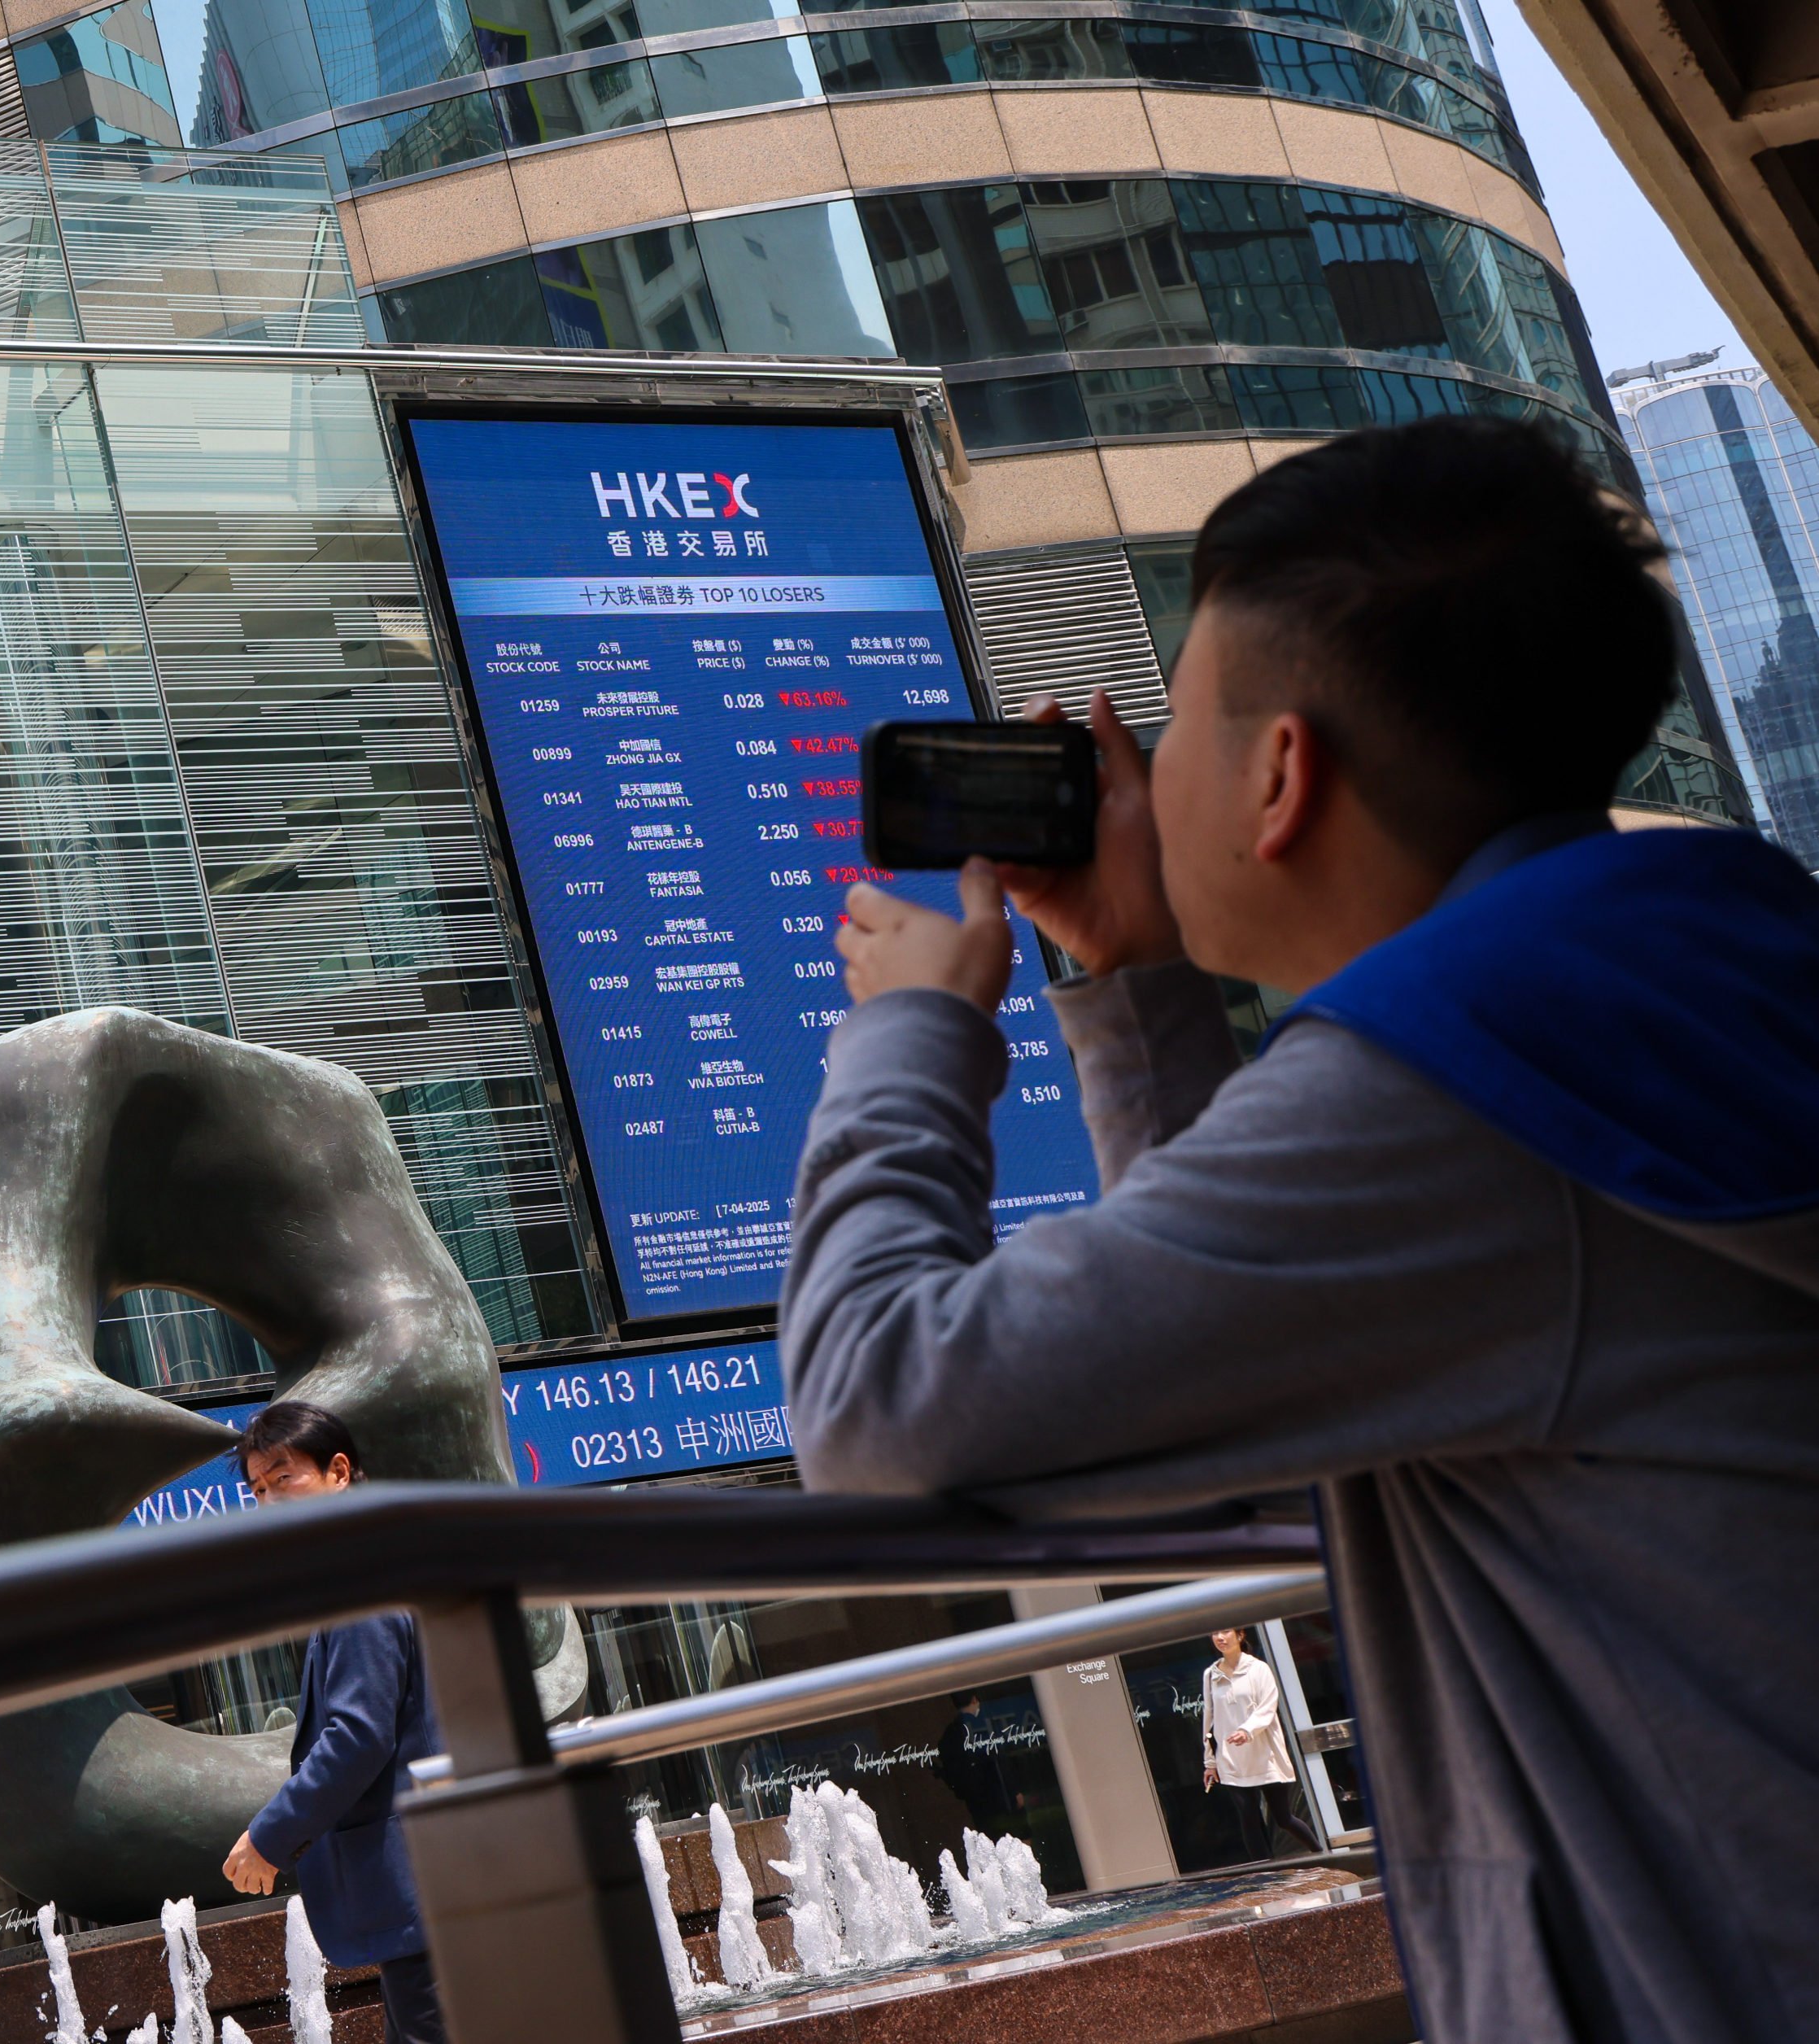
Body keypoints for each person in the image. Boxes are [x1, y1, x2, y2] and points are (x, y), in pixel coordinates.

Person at [779, 416, 1819, 2043]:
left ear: (1278, 777)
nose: (1139, 776)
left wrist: (912, 1031)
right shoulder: (1674, 967)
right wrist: (1129, 977)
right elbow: (1261, 1380)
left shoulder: (1447, 1081)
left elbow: (875, 1404)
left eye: (1176, 721)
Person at [218, 1402, 451, 2044]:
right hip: (435, 1893)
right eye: (257, 1490)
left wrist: (270, 1836)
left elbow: (357, 1736)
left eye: (282, 1478)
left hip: (428, 1895)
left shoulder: (362, 1579)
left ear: (338, 1471)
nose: (268, 1500)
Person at [1199, 1628, 1317, 1860]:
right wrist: (1210, 1761)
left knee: (1283, 1818)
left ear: (1240, 1636)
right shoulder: (1210, 1675)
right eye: (1214, 1633)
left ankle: (1322, 1854)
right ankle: (1265, 1875)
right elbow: (1209, 1718)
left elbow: (1268, 1706)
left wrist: (1247, 1730)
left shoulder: (1258, 1669)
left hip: (1264, 1754)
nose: (1219, 1638)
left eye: (1225, 1632)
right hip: (1231, 1759)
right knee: (1248, 1817)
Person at [932, 1691, 1014, 1838]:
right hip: (995, 1795)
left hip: (977, 1800)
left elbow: (953, 1773)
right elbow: (999, 1761)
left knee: (991, 1838)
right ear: (975, 1700)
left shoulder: (951, 1735)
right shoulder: (985, 1725)